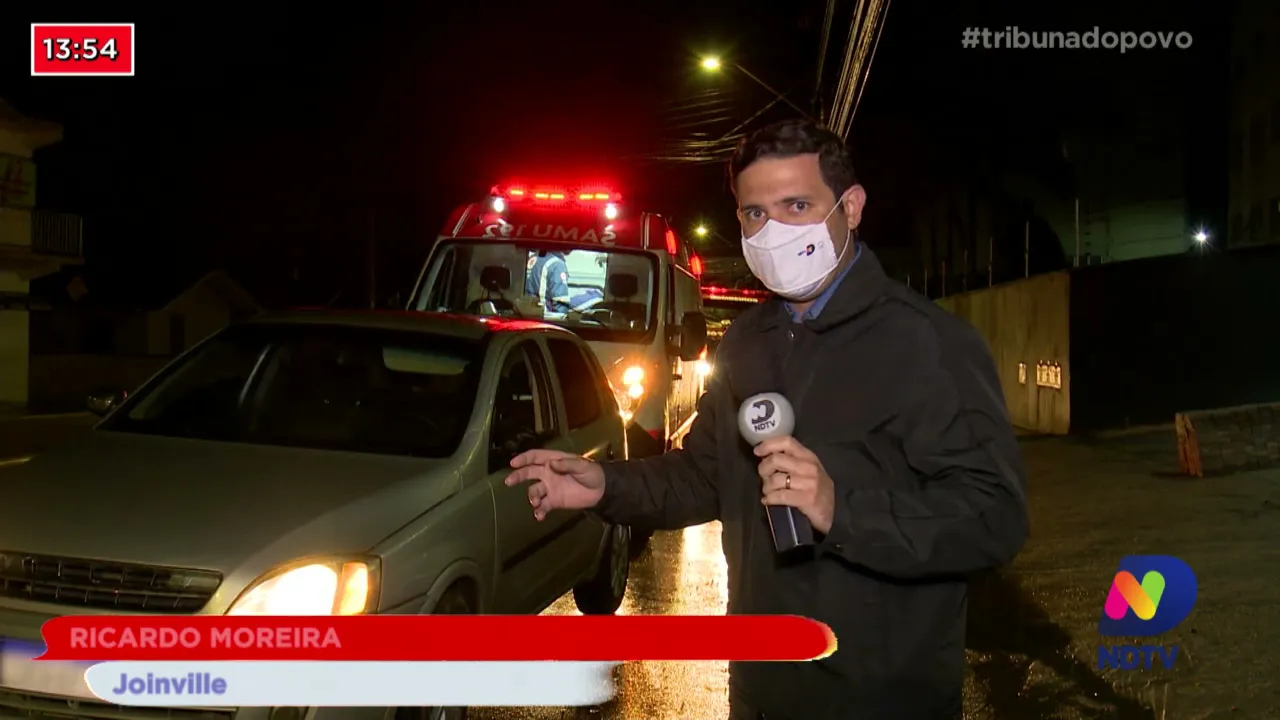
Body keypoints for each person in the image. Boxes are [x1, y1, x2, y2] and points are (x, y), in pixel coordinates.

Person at [505, 119, 1028, 719]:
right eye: (755, 214)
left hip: (881, 699)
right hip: (761, 690)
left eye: (797, 205)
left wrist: (842, 509)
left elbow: (994, 517)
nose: (773, 230)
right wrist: (605, 486)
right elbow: (704, 477)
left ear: (850, 208)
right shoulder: (747, 344)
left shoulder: (929, 345)